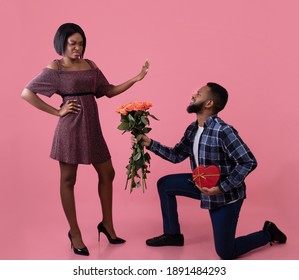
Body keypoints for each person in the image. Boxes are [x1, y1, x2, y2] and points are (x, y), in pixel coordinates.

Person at [21, 23, 149, 256]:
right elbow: (27, 93)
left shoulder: (90, 65)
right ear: (62, 43)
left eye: (81, 43)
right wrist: (57, 111)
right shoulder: (55, 68)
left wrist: (136, 78)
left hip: (93, 128)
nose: (78, 48)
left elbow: (108, 91)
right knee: (68, 179)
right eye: (72, 43)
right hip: (70, 129)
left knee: (107, 173)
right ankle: (75, 232)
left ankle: (107, 225)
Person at [139, 82, 287, 260]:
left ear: (209, 103)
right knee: (165, 184)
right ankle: (173, 235)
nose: (193, 95)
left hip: (225, 196)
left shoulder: (223, 131)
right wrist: (150, 144)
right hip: (202, 185)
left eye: (199, 94)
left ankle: (269, 233)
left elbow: (248, 161)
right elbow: (176, 155)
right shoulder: (193, 129)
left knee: (226, 253)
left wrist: (221, 187)